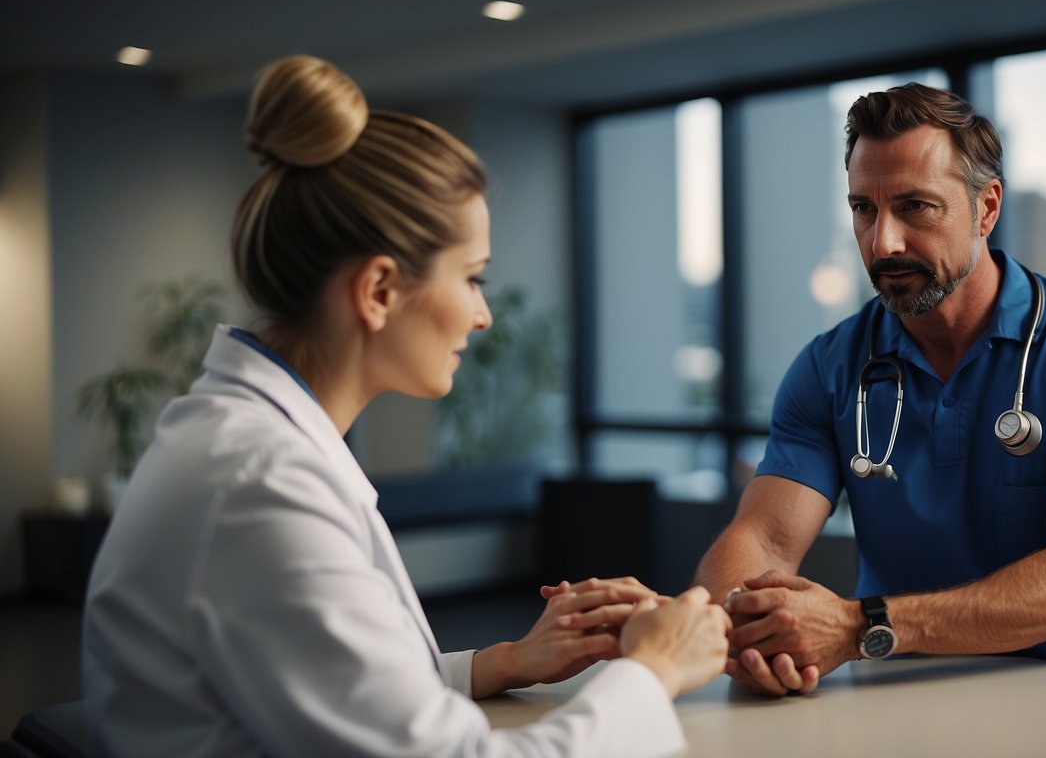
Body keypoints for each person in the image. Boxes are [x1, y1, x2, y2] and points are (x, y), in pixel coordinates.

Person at [82, 55, 729, 757]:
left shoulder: (244, 445)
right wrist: (652, 671)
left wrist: (503, 664)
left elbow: (318, 686)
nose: (483, 316)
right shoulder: (260, 486)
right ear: (380, 291)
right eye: (472, 278)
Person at [693, 83, 1046, 696]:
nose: (882, 242)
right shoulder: (830, 368)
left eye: (915, 207)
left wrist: (863, 626)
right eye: (864, 208)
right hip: (897, 700)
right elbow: (761, 540)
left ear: (986, 209)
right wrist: (751, 628)